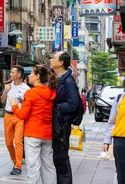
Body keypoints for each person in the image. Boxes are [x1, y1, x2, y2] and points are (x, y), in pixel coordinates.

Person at [10, 65, 57, 184]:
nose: (29, 75)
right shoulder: (51, 92)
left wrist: (14, 105)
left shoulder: (31, 93)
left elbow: (22, 115)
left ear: (37, 76)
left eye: (31, 73)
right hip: (47, 133)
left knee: (33, 166)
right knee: (48, 166)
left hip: (33, 133)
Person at [50, 51, 79, 184]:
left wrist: (55, 108)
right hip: (57, 123)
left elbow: (73, 104)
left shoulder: (68, 81)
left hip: (62, 125)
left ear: (61, 62)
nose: (51, 60)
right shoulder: (57, 78)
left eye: (54, 58)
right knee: (56, 158)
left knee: (61, 159)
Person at [103, 67, 125, 184]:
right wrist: (106, 141)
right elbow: (111, 122)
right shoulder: (120, 98)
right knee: (122, 175)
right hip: (120, 141)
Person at [0, 65, 30, 176]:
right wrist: (5, 92)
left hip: (19, 117)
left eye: (12, 72)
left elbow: (28, 104)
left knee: (18, 141)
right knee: (8, 143)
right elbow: (2, 101)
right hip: (8, 115)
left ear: (19, 75)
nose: (10, 74)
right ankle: (15, 160)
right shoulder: (8, 86)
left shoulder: (26, 89)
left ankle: (18, 166)